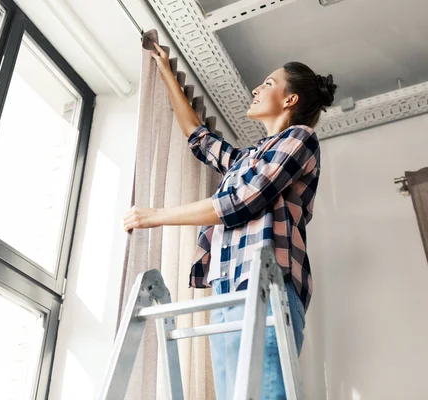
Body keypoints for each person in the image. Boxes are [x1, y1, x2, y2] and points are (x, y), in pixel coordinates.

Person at [123, 42, 337, 400]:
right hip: (226, 289)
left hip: (268, 288)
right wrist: (164, 70)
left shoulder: (301, 139)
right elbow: (198, 136)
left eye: (268, 84)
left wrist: (155, 216)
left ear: (290, 100)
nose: (256, 89)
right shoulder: (245, 159)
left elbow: (241, 202)